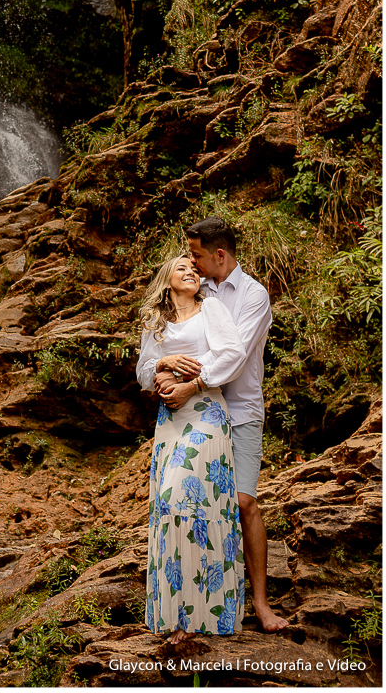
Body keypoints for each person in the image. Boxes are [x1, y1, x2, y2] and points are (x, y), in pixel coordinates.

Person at [155, 216, 289, 634]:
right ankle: (200, 605)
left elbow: (236, 357)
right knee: (196, 504)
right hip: (194, 416)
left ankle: (261, 604)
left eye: (195, 255)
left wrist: (189, 383)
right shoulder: (195, 289)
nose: (191, 263)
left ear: (218, 254)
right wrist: (161, 371)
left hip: (241, 409)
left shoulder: (253, 296)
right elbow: (165, 343)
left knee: (244, 501)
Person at [137, 256, 247, 643]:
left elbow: (232, 354)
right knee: (168, 507)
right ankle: (181, 618)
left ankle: (207, 614)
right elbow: (143, 372)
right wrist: (162, 363)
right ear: (166, 278)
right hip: (170, 421)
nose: (191, 271)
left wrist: (192, 379)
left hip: (205, 412)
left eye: (194, 268)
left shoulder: (210, 308)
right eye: (182, 266)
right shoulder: (155, 320)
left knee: (187, 497)